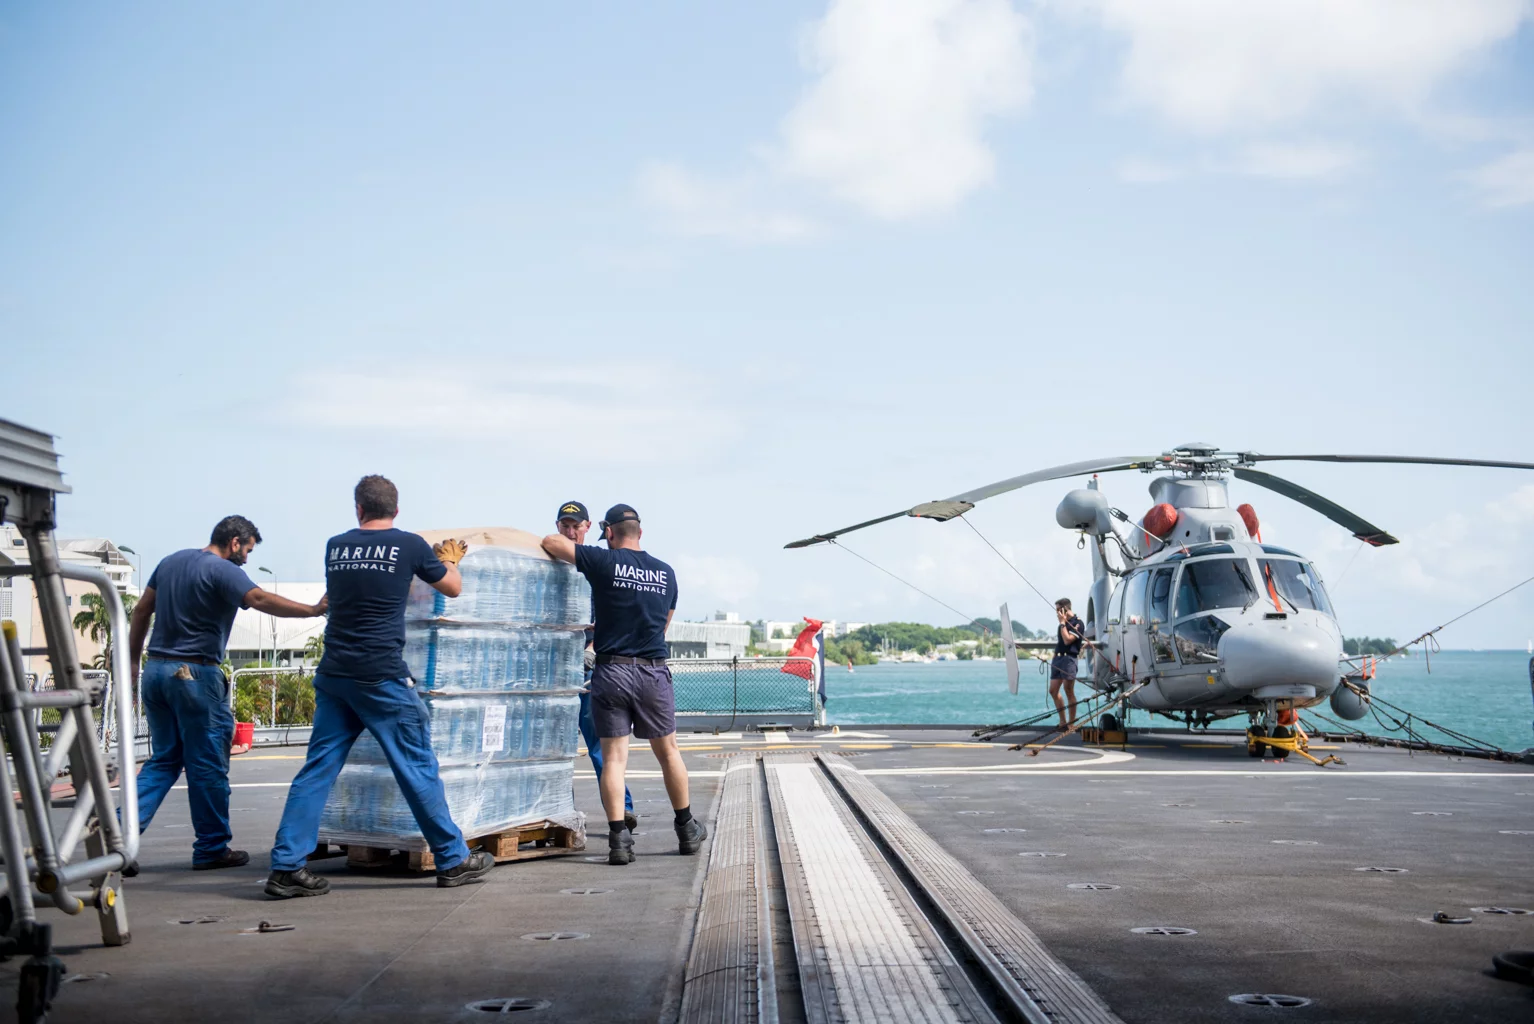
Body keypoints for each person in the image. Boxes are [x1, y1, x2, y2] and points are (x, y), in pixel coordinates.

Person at [264, 475, 494, 898]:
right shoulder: (408, 546)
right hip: (381, 674)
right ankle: (453, 858)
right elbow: (453, 588)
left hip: (335, 674)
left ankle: (286, 866)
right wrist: (450, 560)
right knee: (416, 765)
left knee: (318, 769)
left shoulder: (336, 546)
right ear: (397, 510)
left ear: (358, 508)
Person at [127, 515, 327, 870]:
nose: (247, 559)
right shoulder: (221, 569)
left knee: (164, 760)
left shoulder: (170, 562)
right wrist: (312, 610)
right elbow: (259, 597)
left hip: (155, 671)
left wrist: (131, 663)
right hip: (193, 674)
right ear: (235, 542)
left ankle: (117, 837)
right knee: (207, 767)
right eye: (247, 550)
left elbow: (142, 610)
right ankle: (211, 848)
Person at [541, 504, 705, 866]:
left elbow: (553, 543)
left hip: (612, 670)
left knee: (614, 758)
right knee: (669, 753)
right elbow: (663, 624)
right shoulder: (666, 573)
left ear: (610, 533)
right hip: (652, 670)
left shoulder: (604, 561)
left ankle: (618, 840)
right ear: (640, 533)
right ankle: (686, 829)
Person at [555, 500, 636, 831]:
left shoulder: (597, 565)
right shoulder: (552, 564)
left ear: (589, 527)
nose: (571, 531)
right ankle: (557, 811)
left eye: (576, 526)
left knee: (601, 745)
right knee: (553, 749)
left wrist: (593, 646)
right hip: (555, 664)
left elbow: (613, 613)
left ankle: (623, 810)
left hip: (588, 663)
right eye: (565, 525)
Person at [1050, 598, 1086, 733]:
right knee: (1053, 690)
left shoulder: (1078, 623)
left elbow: (1067, 640)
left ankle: (1071, 723)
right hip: (1058, 659)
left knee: (1068, 690)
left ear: (1065, 609)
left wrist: (1062, 623)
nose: (1057, 613)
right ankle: (1062, 721)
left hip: (1069, 659)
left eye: (1059, 610)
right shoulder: (1063, 623)